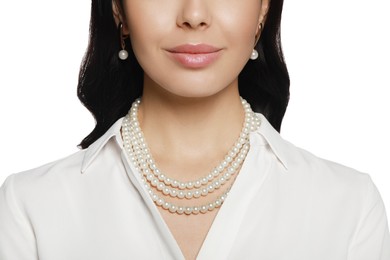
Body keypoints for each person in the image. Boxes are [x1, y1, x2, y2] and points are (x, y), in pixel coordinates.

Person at [0, 0, 389, 259]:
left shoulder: (348, 207)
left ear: (263, 10)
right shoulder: (31, 208)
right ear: (118, 9)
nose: (195, 14)